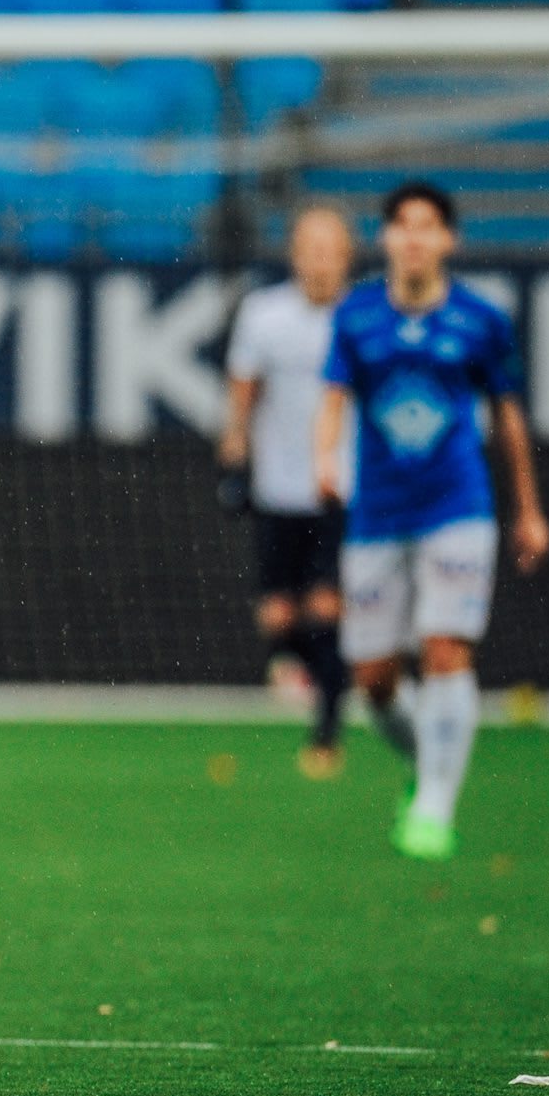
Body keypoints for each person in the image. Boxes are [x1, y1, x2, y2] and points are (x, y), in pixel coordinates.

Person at [316, 180, 549, 863]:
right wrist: (324, 458)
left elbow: (508, 415)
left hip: (457, 505)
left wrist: (528, 510)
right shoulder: (357, 316)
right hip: (378, 512)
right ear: (385, 238)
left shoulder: (481, 320)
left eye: (427, 226)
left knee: (445, 650)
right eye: (403, 225)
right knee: (374, 680)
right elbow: (333, 397)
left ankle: (435, 806)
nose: (414, 238)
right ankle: (431, 764)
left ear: (448, 239)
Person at [219, 205, 356, 779]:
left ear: (347, 257)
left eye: (330, 251)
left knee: (325, 608)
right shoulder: (264, 315)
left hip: (342, 488)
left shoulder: (363, 317)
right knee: (278, 617)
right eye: (310, 250)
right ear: (294, 256)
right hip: (278, 488)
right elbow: (243, 394)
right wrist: (234, 461)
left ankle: (326, 730)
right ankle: (322, 678)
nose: (319, 263)